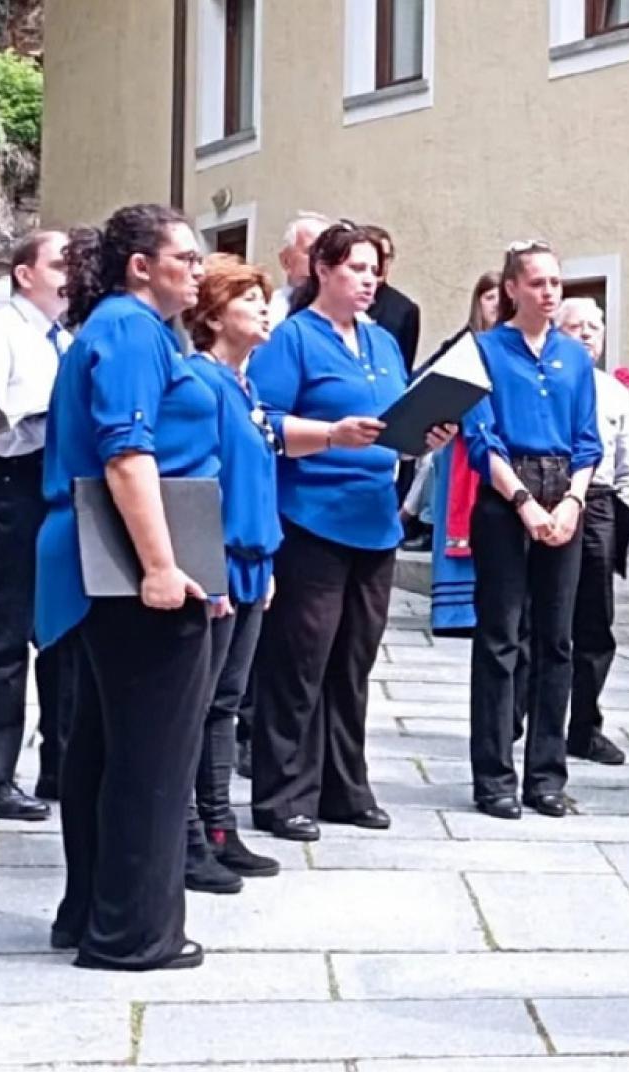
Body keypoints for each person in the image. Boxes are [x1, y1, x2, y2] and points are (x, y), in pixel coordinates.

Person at [37, 204, 215, 971]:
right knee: (151, 757)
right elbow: (127, 457)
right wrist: (160, 567)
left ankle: (90, 914)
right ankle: (134, 934)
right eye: (187, 257)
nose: (199, 270)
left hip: (98, 560)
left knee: (105, 751)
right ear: (141, 264)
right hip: (122, 564)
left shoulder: (125, 328)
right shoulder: (132, 330)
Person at [247, 221, 455, 842]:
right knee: (300, 660)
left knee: (354, 660)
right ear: (322, 270)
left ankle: (345, 786)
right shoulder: (293, 339)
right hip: (312, 514)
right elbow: (266, 421)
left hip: (374, 518)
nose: (369, 281)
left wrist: (427, 436)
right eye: (356, 269)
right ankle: (283, 794)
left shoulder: (384, 343)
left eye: (374, 271)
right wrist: (331, 434)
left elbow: (394, 420)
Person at [464, 240, 601, 821]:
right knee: (500, 638)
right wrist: (523, 503)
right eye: (539, 283)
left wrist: (571, 500)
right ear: (513, 288)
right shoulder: (483, 351)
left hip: (563, 490)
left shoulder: (574, 358)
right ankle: (494, 775)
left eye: (556, 283)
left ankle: (545, 775)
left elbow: (589, 439)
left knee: (557, 639)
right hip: (506, 493)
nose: (550, 293)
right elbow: (480, 438)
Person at [180, 255, 283, 893]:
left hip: (252, 564)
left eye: (264, 298)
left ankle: (220, 825)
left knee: (226, 704)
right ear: (214, 314)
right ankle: (189, 830)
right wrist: (207, 570)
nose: (264, 309)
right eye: (249, 300)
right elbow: (198, 484)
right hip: (217, 565)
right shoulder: (202, 382)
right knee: (198, 705)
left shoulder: (248, 388)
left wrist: (264, 563)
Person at [0, 230, 69, 821]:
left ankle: (59, 761)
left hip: (57, 485)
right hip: (12, 481)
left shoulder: (69, 337)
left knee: (59, 631)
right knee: (5, 630)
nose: (71, 274)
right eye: (60, 264)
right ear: (24, 273)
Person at [556, 296, 629, 766]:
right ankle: (521, 717)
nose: (587, 334)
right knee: (540, 615)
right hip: (550, 490)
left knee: (594, 621)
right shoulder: (548, 382)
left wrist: (626, 514)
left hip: (601, 502)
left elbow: (627, 466)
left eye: (594, 327)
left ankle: (584, 726)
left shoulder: (615, 392)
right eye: (575, 326)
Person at [423, 271, 503, 633]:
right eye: (489, 297)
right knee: (458, 521)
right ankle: (453, 614)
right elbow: (428, 384)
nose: (496, 304)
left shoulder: (513, 346)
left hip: (500, 449)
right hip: (460, 449)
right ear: (477, 303)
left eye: (502, 297)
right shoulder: (462, 345)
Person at [364, 224, 422, 375]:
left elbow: (403, 368)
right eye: (377, 255)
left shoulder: (404, 309)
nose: (383, 263)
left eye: (387, 257)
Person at [267, 212, 331, 325]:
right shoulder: (268, 311)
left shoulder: (350, 311)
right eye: (312, 251)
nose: (321, 260)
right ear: (286, 261)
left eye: (327, 253)